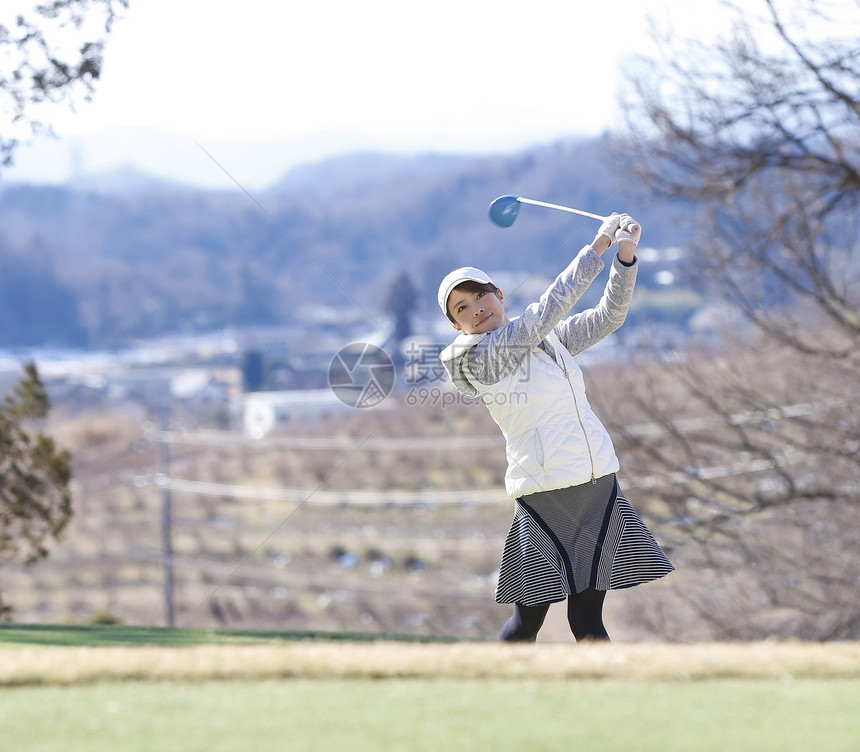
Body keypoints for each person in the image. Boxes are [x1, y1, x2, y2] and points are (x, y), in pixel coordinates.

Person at [437, 212, 673, 642]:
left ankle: (607, 700)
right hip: (547, 491)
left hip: (595, 481)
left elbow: (608, 318)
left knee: (587, 618)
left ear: (498, 294)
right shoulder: (481, 359)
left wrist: (624, 256)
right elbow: (548, 308)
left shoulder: (549, 340)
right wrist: (597, 245)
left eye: (480, 297)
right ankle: (496, 691)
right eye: (463, 309)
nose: (477, 310)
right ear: (457, 326)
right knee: (529, 619)